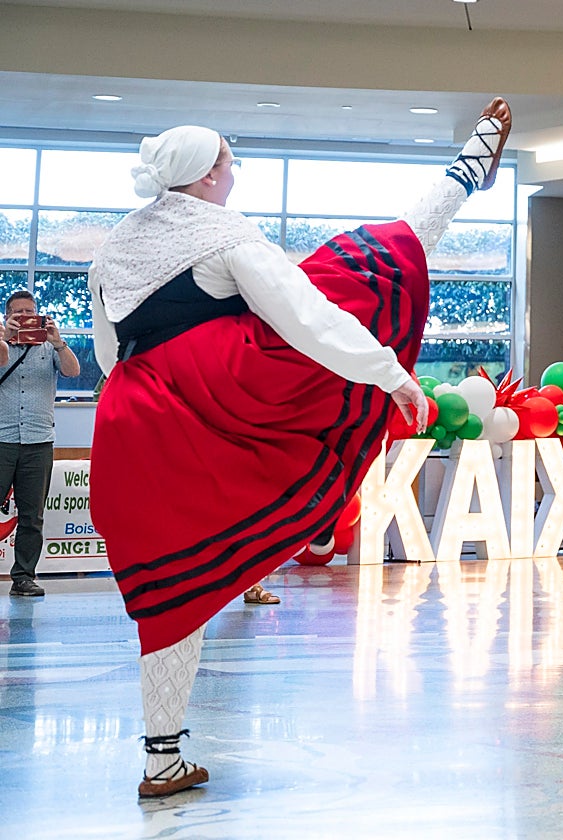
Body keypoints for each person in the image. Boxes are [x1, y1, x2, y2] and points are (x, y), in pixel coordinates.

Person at [88, 99, 511, 796]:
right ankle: (464, 174)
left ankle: (162, 756)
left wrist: (164, 391)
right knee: (372, 263)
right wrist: (391, 374)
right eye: (228, 159)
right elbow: (308, 317)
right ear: (206, 174)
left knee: (169, 585)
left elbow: (111, 356)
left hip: (134, 422)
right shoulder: (225, 235)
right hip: (223, 398)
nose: (234, 169)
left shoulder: (115, 245)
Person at [1, 292, 82, 596]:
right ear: (7, 315)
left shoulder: (49, 347)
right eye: (18, 312)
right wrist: (5, 339)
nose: (25, 317)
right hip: (2, 438)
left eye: (30, 312)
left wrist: (58, 341)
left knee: (32, 515)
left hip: (38, 441)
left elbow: (73, 371)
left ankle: (23, 576)